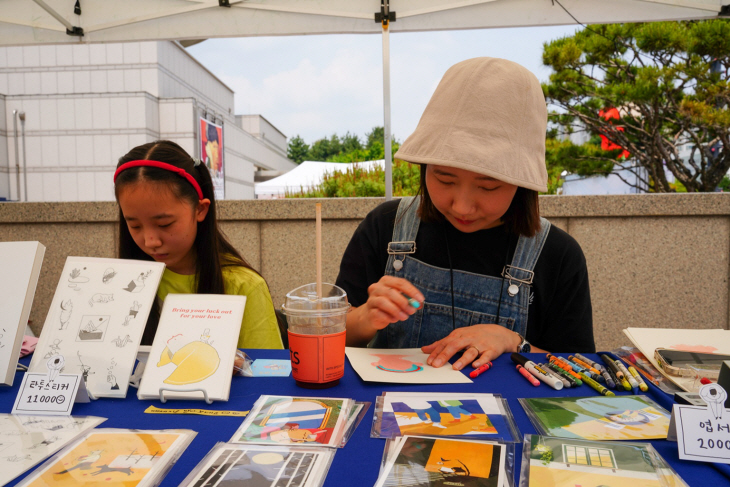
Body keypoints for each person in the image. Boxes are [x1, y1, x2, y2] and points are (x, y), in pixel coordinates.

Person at [336, 57, 594, 372]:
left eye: (489, 186)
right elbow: (329, 337)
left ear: (521, 185)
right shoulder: (387, 226)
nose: (462, 206)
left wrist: (514, 343)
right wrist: (365, 317)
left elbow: (580, 370)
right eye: (444, 179)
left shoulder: (558, 254)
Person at [113, 140, 282, 349]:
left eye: (164, 224)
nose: (150, 241)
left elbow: (267, 371)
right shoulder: (121, 283)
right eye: (135, 226)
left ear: (200, 210)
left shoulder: (243, 285)